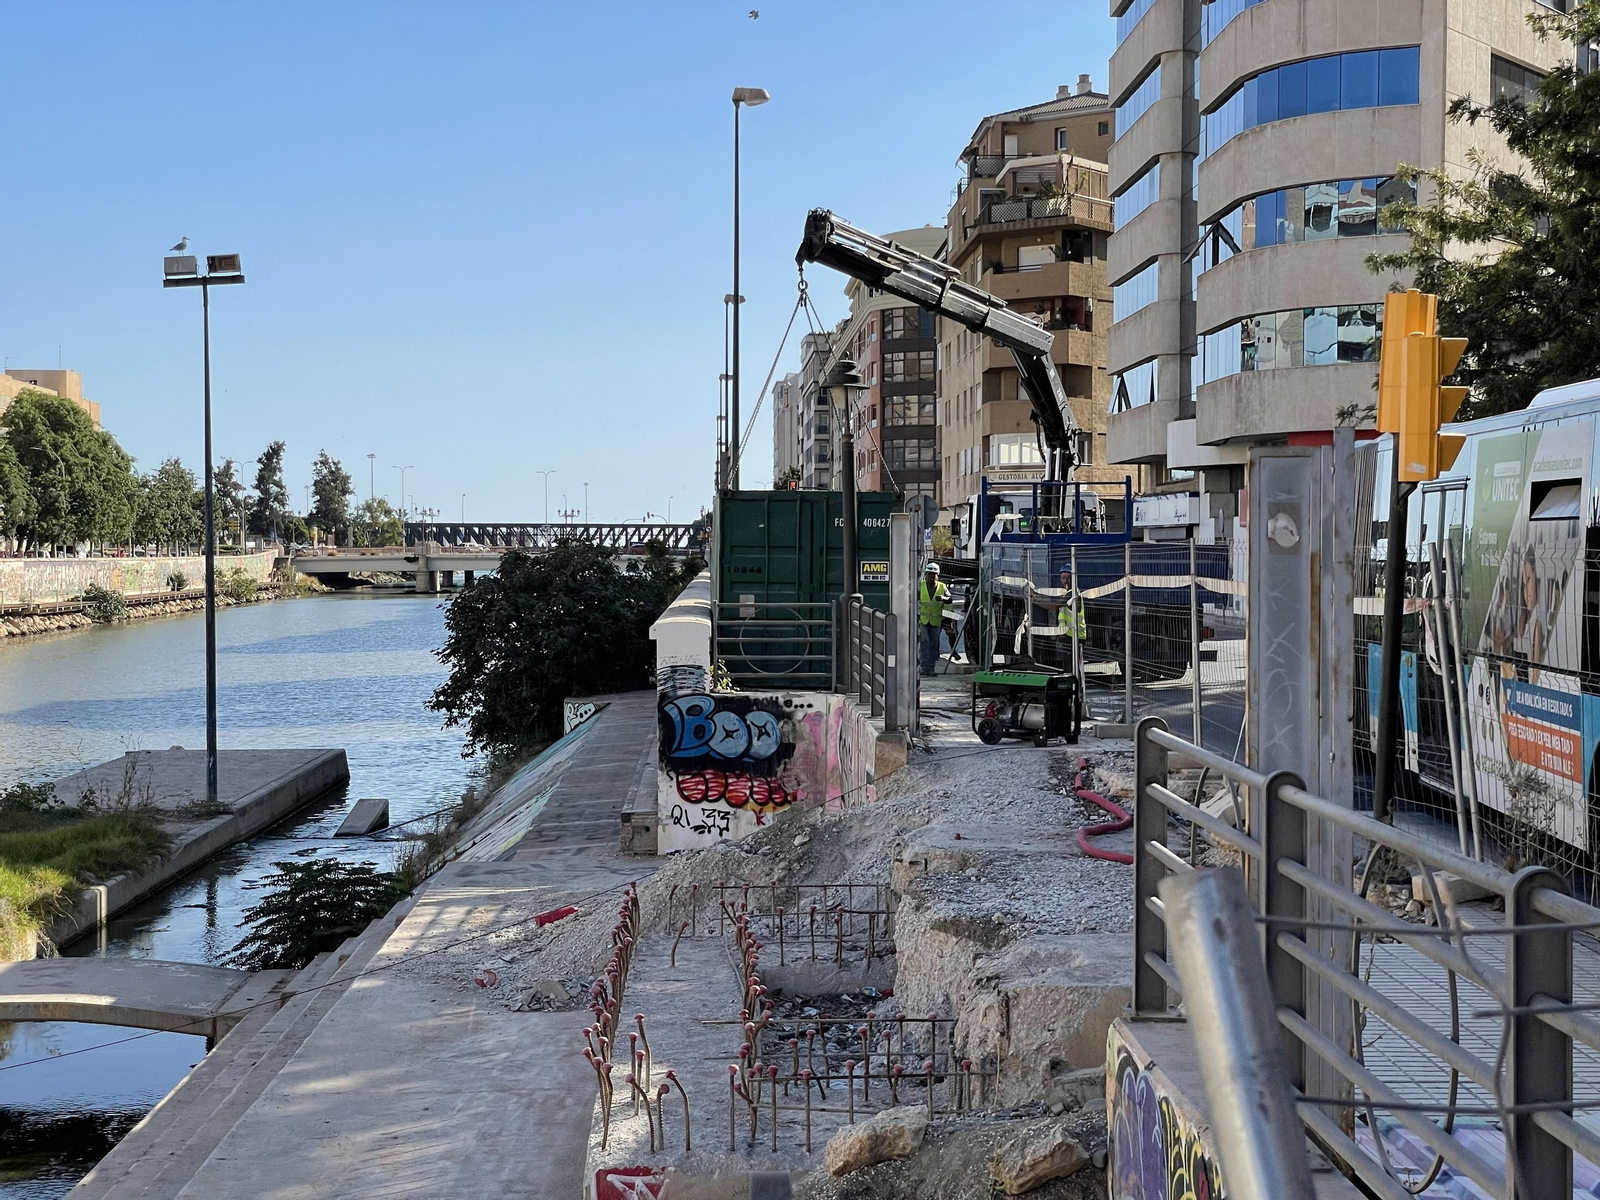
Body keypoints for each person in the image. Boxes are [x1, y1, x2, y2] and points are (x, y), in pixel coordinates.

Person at [918, 562, 951, 676]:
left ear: (938, 575)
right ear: (926, 574)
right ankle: (924, 667)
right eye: (930, 574)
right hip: (923, 620)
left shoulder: (942, 587)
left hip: (936, 621)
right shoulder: (921, 586)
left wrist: (943, 598)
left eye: (934, 574)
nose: (932, 577)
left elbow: (949, 599)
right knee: (925, 642)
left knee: (934, 644)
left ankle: (931, 668)